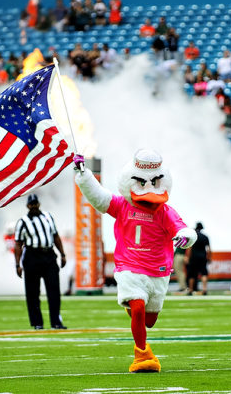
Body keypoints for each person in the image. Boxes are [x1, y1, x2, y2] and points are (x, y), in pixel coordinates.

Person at [73, 150, 197, 373]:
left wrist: (185, 236)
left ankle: (134, 312)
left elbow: (182, 228)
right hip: (129, 266)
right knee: (138, 306)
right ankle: (141, 354)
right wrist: (84, 175)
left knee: (149, 320)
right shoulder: (122, 205)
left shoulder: (164, 211)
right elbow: (100, 198)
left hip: (157, 270)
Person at [14, 193, 67, 330]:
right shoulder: (23, 222)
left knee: (54, 289)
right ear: (27, 206)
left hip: (49, 254)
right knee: (32, 292)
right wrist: (17, 264)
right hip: (32, 255)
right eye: (31, 204)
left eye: (35, 204)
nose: (34, 206)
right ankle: (37, 322)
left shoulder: (48, 217)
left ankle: (56, 321)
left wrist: (62, 254)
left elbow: (55, 236)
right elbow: (18, 244)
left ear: (39, 204)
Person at [186, 222, 212, 295]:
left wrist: (188, 257)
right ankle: (204, 289)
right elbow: (209, 249)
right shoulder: (205, 237)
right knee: (204, 273)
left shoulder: (194, 237)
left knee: (192, 274)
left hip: (194, 257)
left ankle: (190, 290)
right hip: (202, 257)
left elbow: (190, 248)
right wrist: (209, 257)